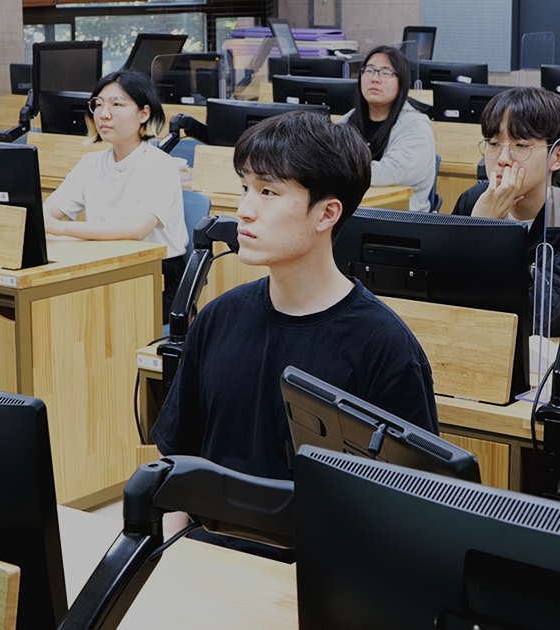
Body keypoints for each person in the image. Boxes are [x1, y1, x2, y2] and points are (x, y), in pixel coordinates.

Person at [152, 111, 437, 562]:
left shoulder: (385, 348)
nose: (245, 209)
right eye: (245, 188)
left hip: (318, 579)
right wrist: (174, 557)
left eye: (268, 192)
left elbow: (411, 511)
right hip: (205, 564)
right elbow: (176, 465)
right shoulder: (218, 318)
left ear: (327, 213)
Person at [451, 87, 560, 334]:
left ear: (557, 157)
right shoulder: (474, 201)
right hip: (477, 336)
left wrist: (485, 232)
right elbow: (444, 288)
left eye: (521, 145)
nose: (502, 158)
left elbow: (546, 317)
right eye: (493, 143)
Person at [43, 70, 190, 320]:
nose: (103, 114)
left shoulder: (160, 164)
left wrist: (60, 228)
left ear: (144, 114)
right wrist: (48, 221)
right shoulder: (90, 163)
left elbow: (137, 229)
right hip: (103, 264)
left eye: (116, 104)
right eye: (98, 104)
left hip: (156, 274)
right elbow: (47, 212)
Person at [335, 45, 437, 211]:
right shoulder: (349, 119)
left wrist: (336, 170)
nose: (375, 78)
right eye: (369, 70)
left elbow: (390, 172)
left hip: (400, 216)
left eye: (385, 72)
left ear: (401, 81)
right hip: (354, 211)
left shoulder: (415, 125)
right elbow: (327, 157)